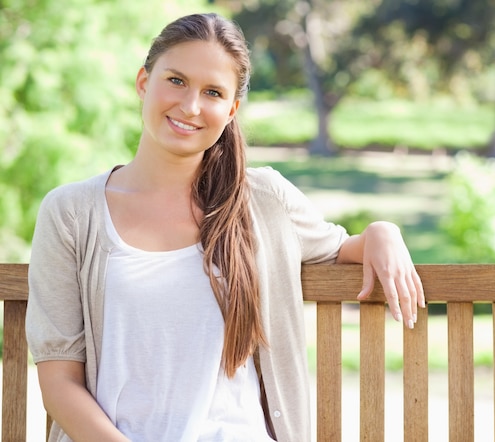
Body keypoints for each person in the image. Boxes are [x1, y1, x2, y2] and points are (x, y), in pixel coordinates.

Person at [25, 12, 425, 442]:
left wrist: (384, 231)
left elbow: (343, 246)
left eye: (213, 92)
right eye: (176, 80)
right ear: (144, 82)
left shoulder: (264, 199)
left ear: (232, 109)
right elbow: (59, 383)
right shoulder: (71, 213)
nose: (191, 106)